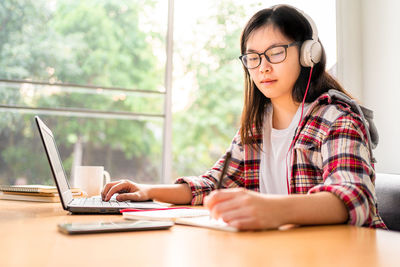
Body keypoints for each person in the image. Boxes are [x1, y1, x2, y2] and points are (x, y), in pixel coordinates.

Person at [101, 4, 386, 230]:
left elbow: (354, 198)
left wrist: (270, 209)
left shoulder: (337, 118)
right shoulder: (257, 125)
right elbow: (214, 184)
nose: (262, 67)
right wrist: (147, 190)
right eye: (253, 57)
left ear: (308, 55)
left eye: (275, 53)